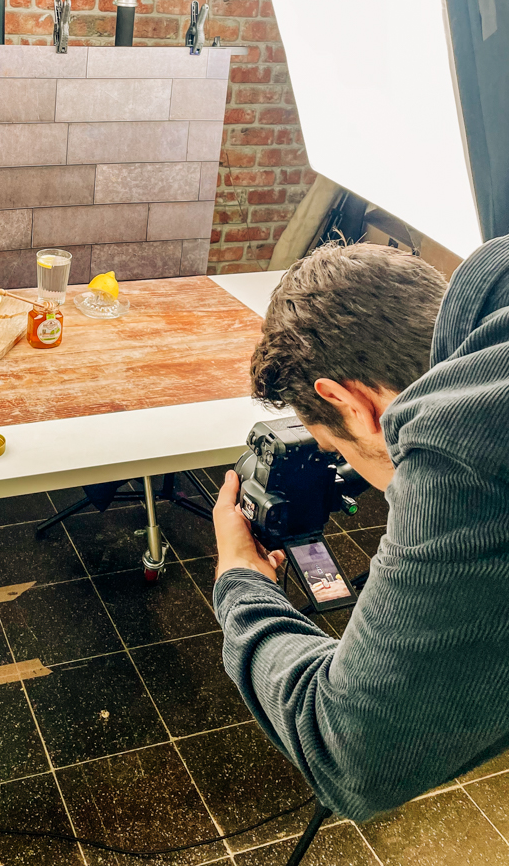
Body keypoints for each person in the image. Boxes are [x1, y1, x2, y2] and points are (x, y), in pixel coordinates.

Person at [212, 237, 509, 820]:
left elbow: (348, 754)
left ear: (349, 404)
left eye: (334, 448)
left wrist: (241, 584)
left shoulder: (461, 475)